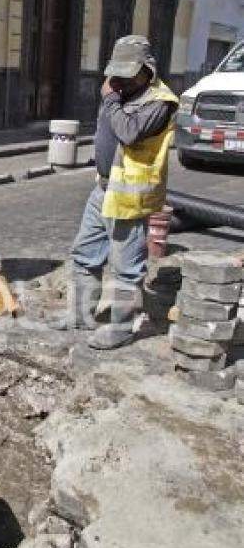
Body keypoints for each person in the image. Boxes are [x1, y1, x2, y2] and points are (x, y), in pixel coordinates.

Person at [54, 35, 179, 350]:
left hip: (130, 197)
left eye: (127, 73)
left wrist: (110, 99)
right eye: (116, 73)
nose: (119, 80)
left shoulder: (159, 101)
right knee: (84, 254)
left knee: (126, 268)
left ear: (146, 69)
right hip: (103, 188)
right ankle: (82, 315)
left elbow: (129, 132)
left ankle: (121, 328)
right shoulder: (122, 91)